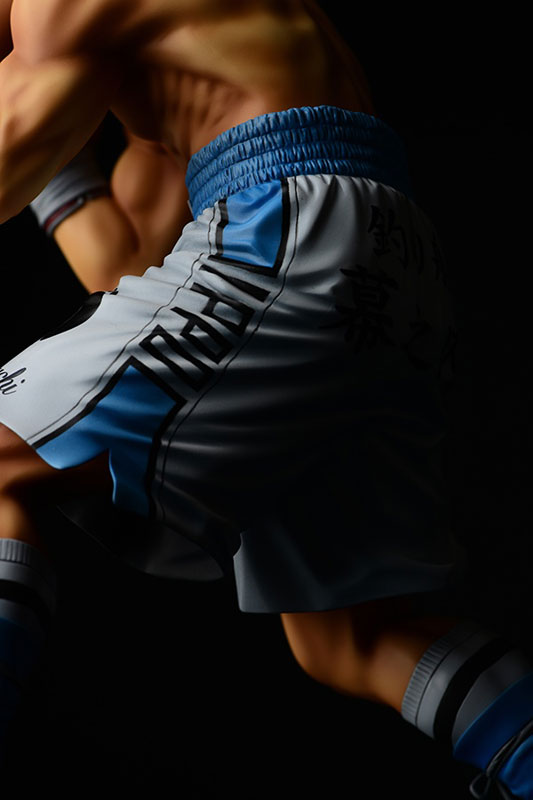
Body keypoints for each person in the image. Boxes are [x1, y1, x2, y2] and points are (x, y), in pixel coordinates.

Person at [0, 1, 531, 796]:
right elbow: (126, 271)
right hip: (380, 263)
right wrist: (59, 171)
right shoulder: (176, 67)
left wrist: (37, 139)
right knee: (351, 637)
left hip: (288, 225)